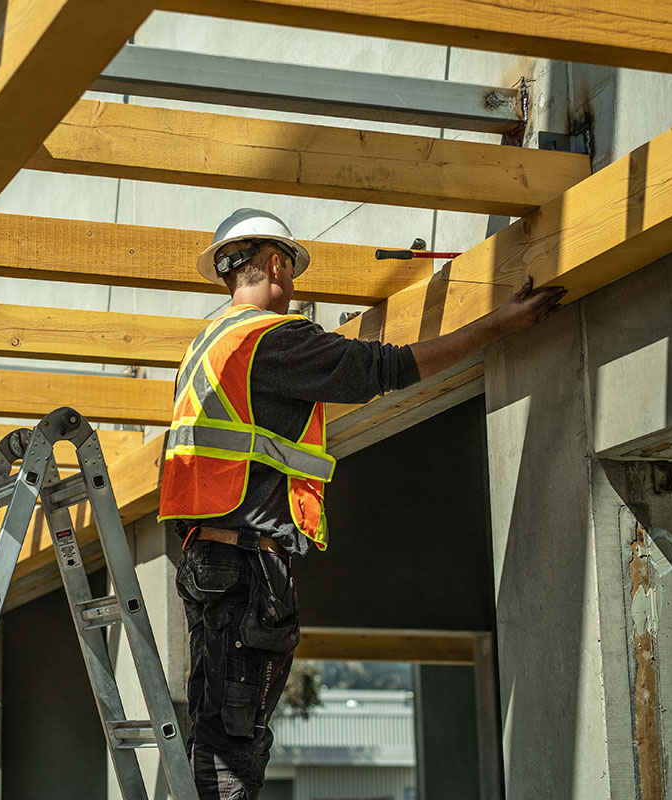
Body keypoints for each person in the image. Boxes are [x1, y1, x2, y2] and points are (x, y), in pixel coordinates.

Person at [157, 208, 565, 799]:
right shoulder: (274, 339)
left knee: (217, 731)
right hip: (245, 567)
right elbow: (387, 368)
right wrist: (497, 327)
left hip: (206, 564)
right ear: (274, 263)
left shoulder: (204, 346)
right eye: (290, 274)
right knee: (234, 746)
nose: (293, 291)